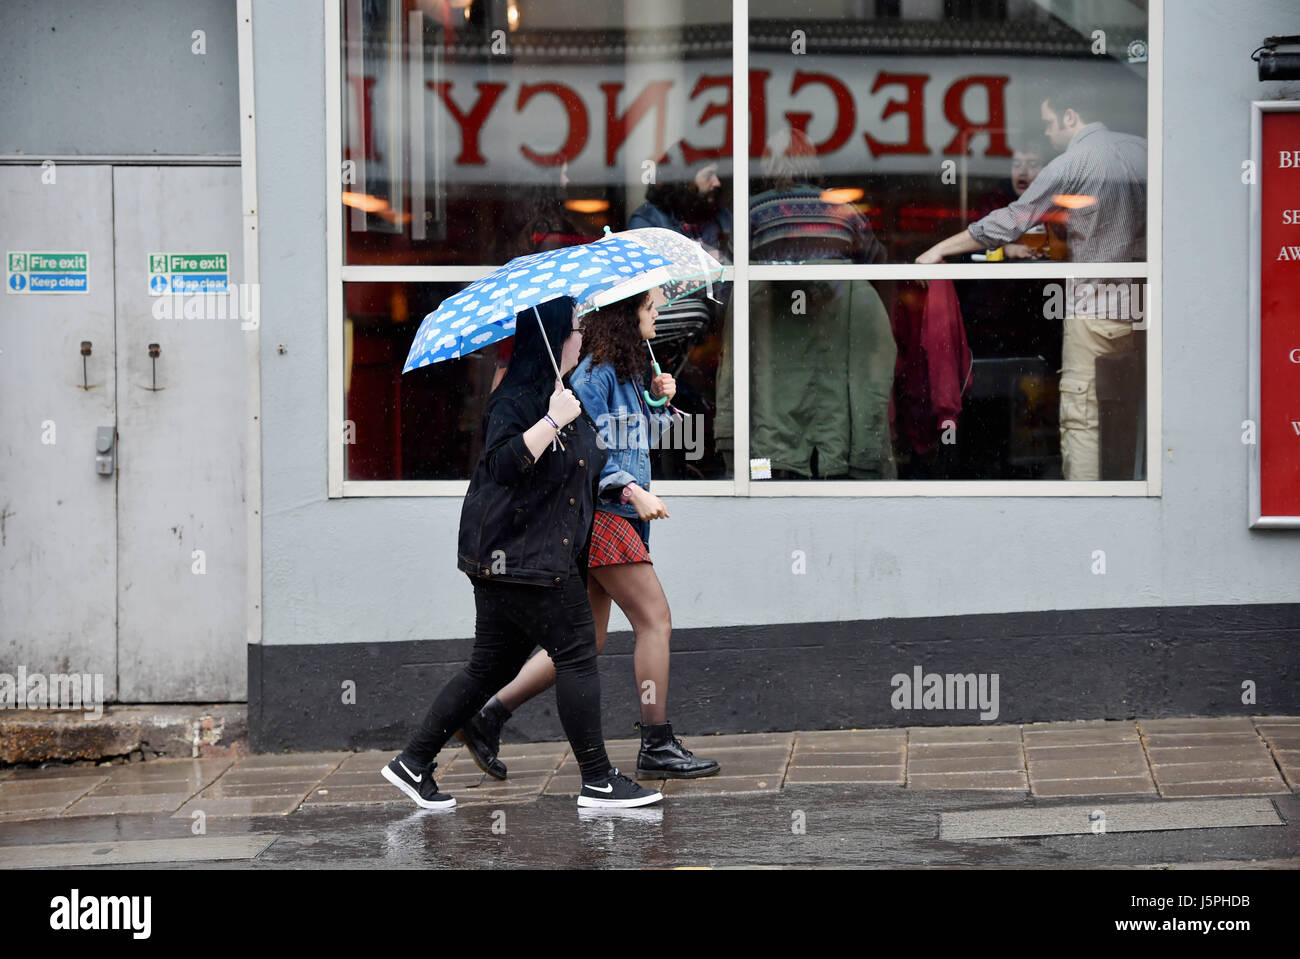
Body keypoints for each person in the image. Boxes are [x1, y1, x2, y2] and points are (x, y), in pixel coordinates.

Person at [382, 295, 663, 809]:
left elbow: (590, 463)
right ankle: (598, 780)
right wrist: (552, 421)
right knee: (578, 655)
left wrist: (627, 490)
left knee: (489, 666)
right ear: (555, 338)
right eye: (575, 328)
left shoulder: (558, 392)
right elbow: (504, 466)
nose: (582, 336)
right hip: (523, 561)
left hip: (519, 560)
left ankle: (413, 761)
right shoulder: (516, 400)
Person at [456, 288, 720, 781]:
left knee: (588, 640)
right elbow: (588, 454)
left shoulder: (625, 373)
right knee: (655, 620)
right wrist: (630, 492)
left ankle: (487, 715)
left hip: (614, 517)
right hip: (606, 517)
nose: (658, 314)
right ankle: (657, 742)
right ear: (628, 315)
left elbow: (635, 443)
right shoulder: (594, 377)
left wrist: (662, 403)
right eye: (651, 307)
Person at [915, 88, 1147, 481]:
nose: (1048, 132)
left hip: (1093, 312)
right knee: (1128, 416)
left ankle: (1088, 512)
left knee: (1084, 419)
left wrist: (940, 249)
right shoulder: (1143, 151)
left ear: (1070, 117)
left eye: (1049, 123)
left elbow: (1011, 220)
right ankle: (1127, 499)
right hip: (1143, 309)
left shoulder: (1074, 161)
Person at [628, 162, 733, 264]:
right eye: (708, 175)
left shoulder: (720, 215)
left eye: (716, 175)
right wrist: (702, 258)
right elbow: (642, 267)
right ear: (686, 179)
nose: (717, 183)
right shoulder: (648, 220)